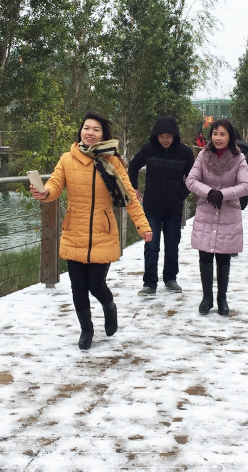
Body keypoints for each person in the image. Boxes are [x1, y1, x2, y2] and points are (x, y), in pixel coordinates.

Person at [31, 112, 152, 350]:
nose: (89, 133)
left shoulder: (112, 161)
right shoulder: (67, 159)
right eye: (86, 128)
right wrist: (45, 193)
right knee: (78, 288)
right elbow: (55, 184)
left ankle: (109, 307)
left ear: (103, 135)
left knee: (96, 285)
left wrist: (143, 226)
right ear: (80, 132)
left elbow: (129, 196)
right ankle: (86, 329)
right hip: (74, 229)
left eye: (95, 129)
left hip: (102, 230)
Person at [185, 119, 248, 316]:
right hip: (206, 210)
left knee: (223, 256)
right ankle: (207, 297)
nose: (218, 138)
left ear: (230, 136)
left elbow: (246, 185)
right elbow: (191, 180)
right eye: (215, 134)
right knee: (205, 254)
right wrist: (209, 192)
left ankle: (222, 298)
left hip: (228, 211)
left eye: (222, 134)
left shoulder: (239, 158)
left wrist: (223, 193)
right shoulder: (203, 156)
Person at [128, 117, 196, 296]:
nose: (165, 140)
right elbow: (133, 167)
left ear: (175, 136)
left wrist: (180, 195)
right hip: (152, 206)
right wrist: (133, 188)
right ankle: (149, 283)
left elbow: (192, 179)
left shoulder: (185, 153)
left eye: (169, 136)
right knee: (151, 245)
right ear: (155, 136)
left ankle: (170, 278)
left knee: (172, 244)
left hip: (174, 208)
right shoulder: (148, 149)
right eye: (161, 136)